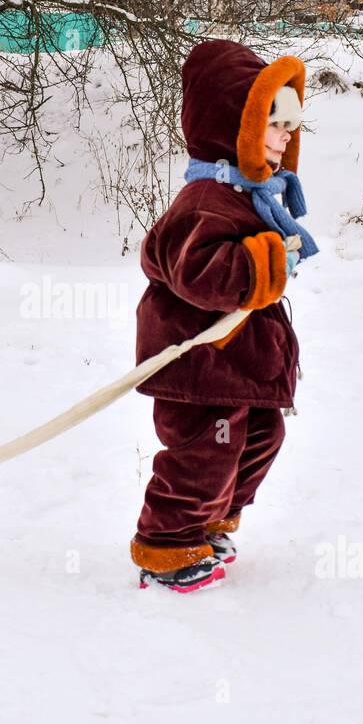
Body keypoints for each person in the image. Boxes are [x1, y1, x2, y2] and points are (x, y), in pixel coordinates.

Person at [132, 39, 318, 592]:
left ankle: (207, 521)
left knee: (262, 433)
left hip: (235, 361)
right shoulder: (206, 199)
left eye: (290, 125)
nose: (286, 137)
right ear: (235, 126)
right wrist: (263, 261)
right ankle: (166, 545)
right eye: (274, 123)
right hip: (197, 364)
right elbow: (200, 274)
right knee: (205, 452)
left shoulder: (247, 195)